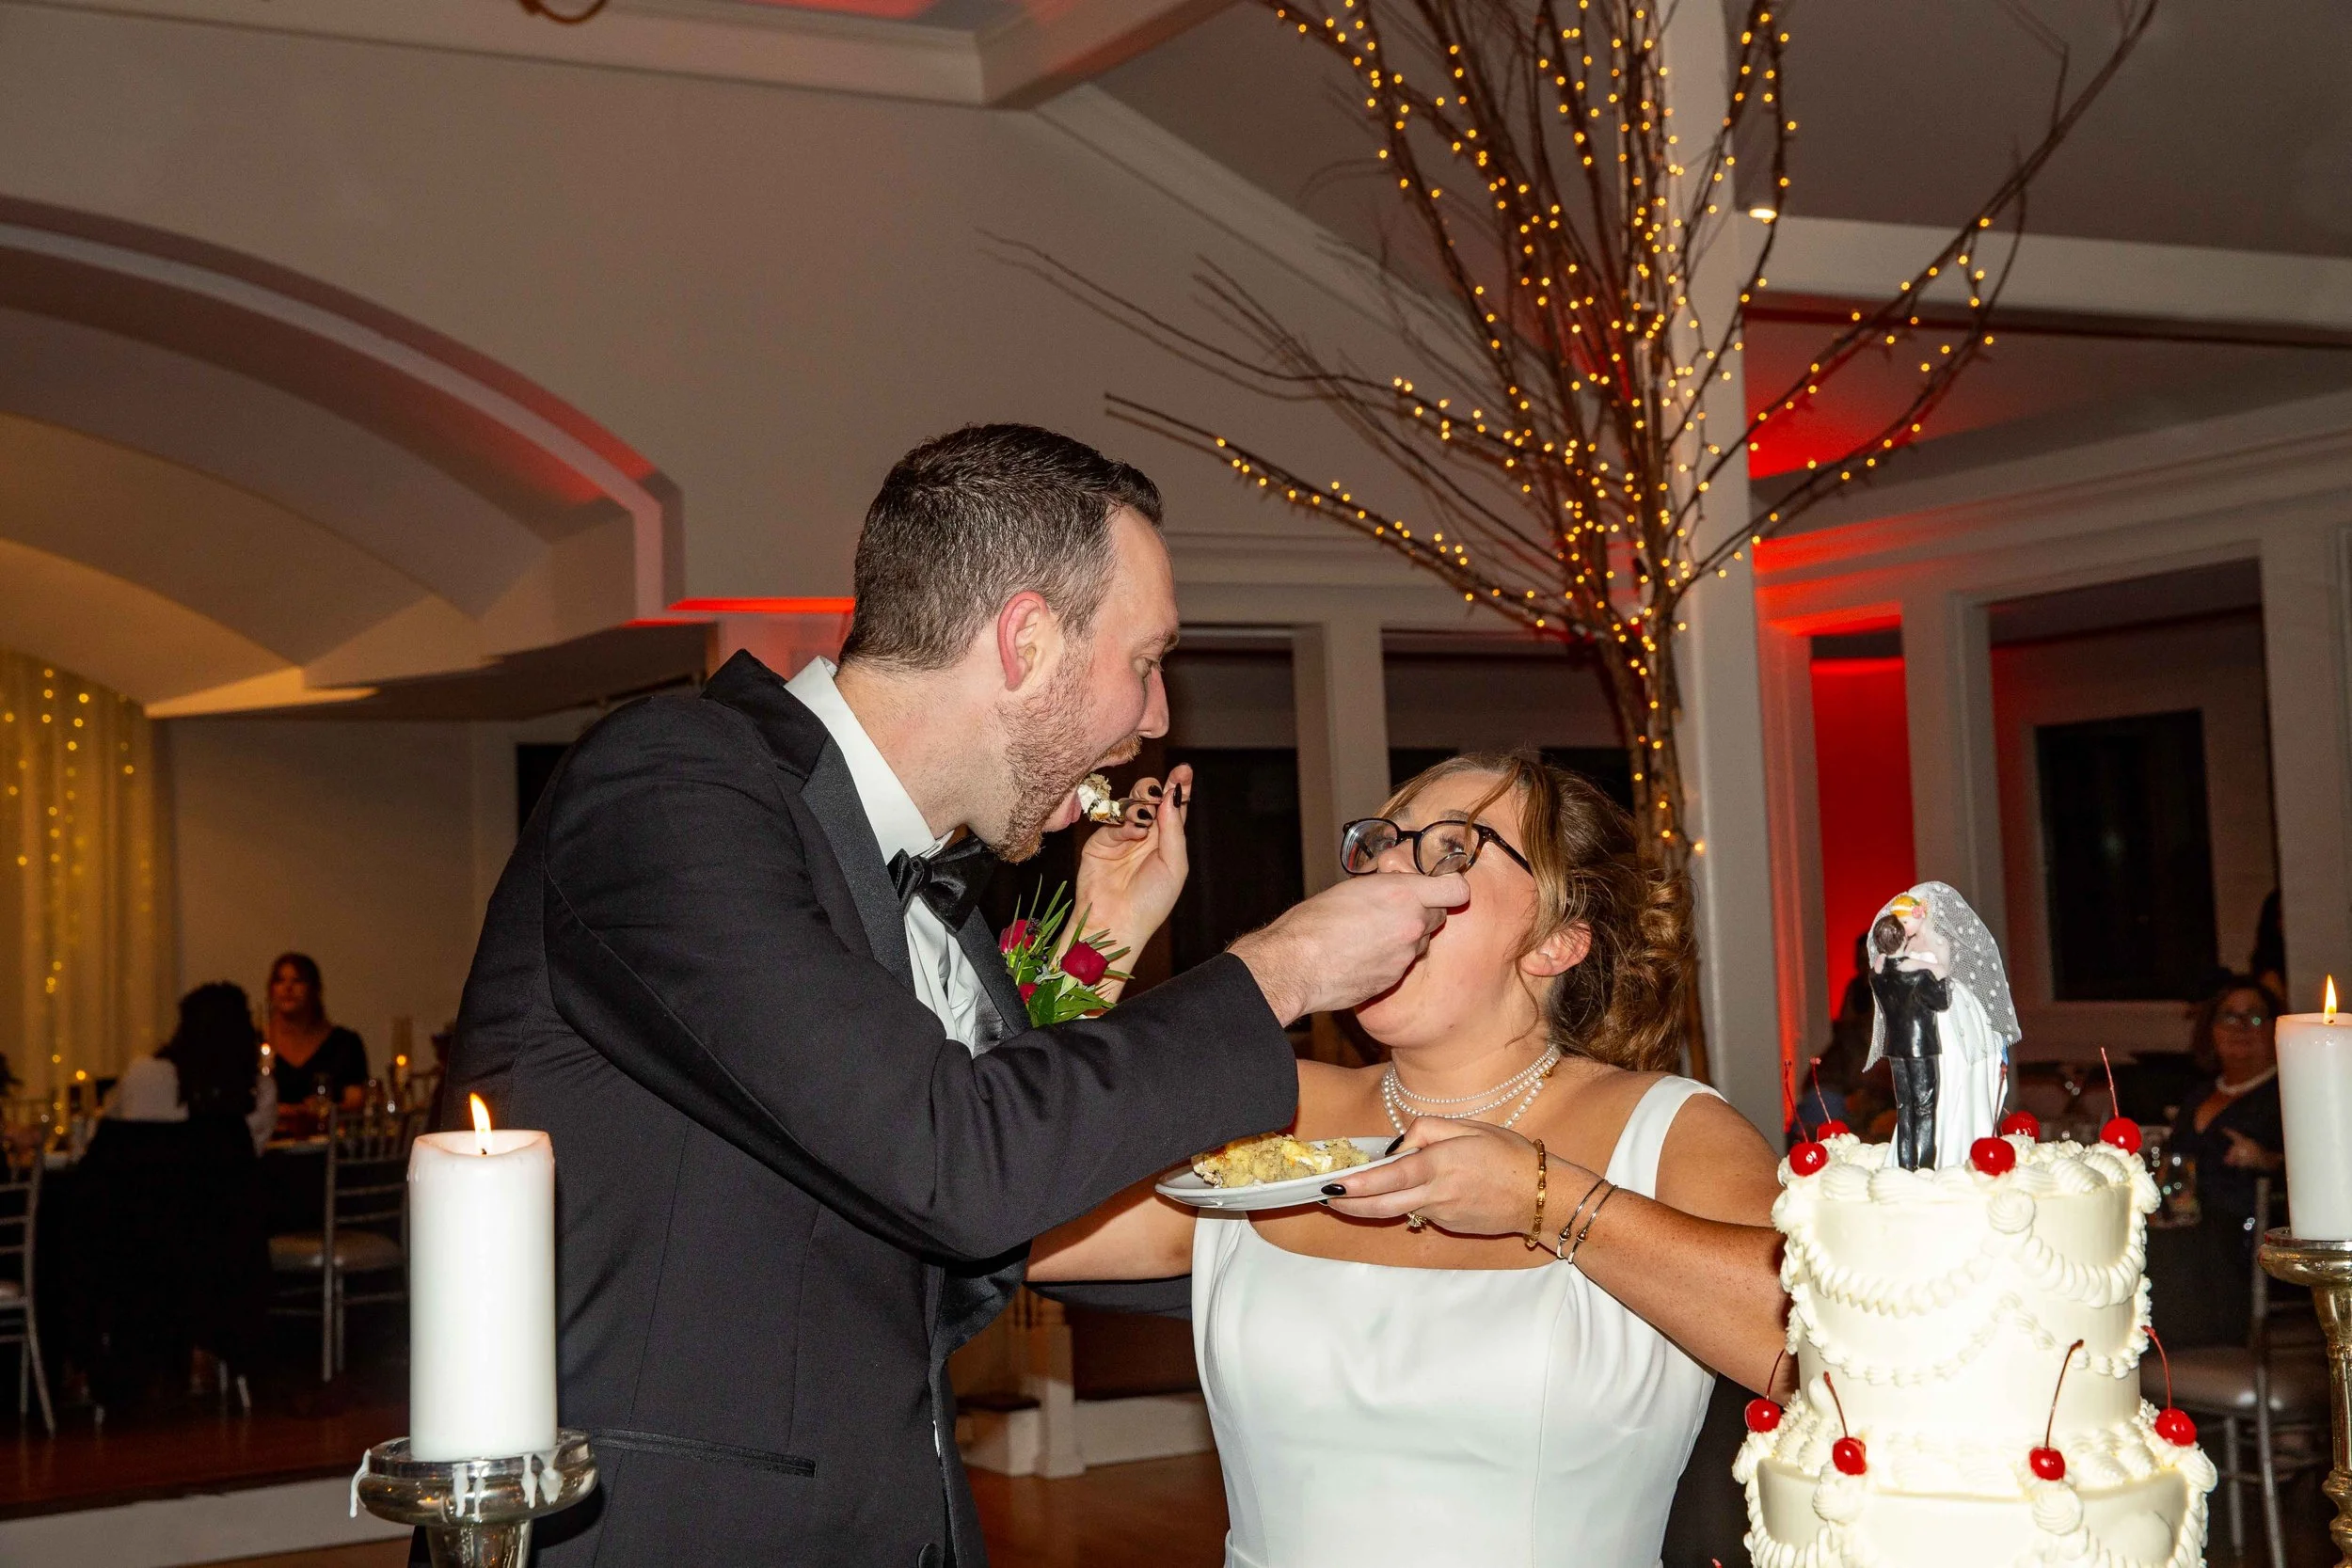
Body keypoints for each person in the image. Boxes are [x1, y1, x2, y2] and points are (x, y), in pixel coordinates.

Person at [439, 424, 1467, 1567]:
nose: (1157, 717)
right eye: (1145, 659)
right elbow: (958, 1160)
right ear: (1026, 640)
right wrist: (1284, 966)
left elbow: (1022, 1197)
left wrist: (1431, 1224)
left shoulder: (939, 899)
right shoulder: (672, 783)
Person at [1031, 753, 1789, 1567]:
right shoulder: (1264, 1113)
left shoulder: (1668, 1130)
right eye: (1383, 846)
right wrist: (1101, 935)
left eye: (1453, 849)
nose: (1392, 868)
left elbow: (1824, 1357)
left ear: (1558, 940)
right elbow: (1013, 1207)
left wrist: (1549, 1202)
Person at [84, 984, 271, 1404]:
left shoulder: (142, 1073)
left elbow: (106, 1144)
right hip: (220, 1247)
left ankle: (85, 1361)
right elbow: (250, 1162)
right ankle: (211, 1350)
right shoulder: (254, 1091)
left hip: (137, 1244)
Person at [2154, 974, 2286, 1347]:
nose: (2241, 1027)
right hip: (2188, 1228)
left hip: (2246, 1241)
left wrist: (2268, 1159)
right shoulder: (2198, 1096)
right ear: (2210, 1029)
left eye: (2255, 1017)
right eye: (2229, 1016)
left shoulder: (2288, 1091)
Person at [262, 953, 370, 1112]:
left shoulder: (344, 1043)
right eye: (280, 981)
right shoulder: (253, 1041)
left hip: (328, 1134)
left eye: (298, 980)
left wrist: (322, 1110)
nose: (288, 988)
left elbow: (356, 1101)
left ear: (313, 989)